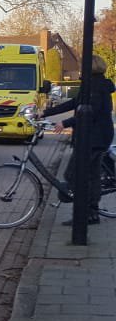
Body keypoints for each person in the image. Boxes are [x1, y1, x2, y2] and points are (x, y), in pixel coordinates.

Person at [44, 55, 115, 224]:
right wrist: (45, 113)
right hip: (93, 137)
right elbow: (74, 103)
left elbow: (89, 112)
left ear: (91, 68)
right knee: (89, 175)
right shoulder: (91, 85)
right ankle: (90, 213)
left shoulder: (96, 87)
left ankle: (87, 214)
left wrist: (65, 123)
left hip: (94, 138)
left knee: (77, 175)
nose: (80, 69)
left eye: (83, 66)